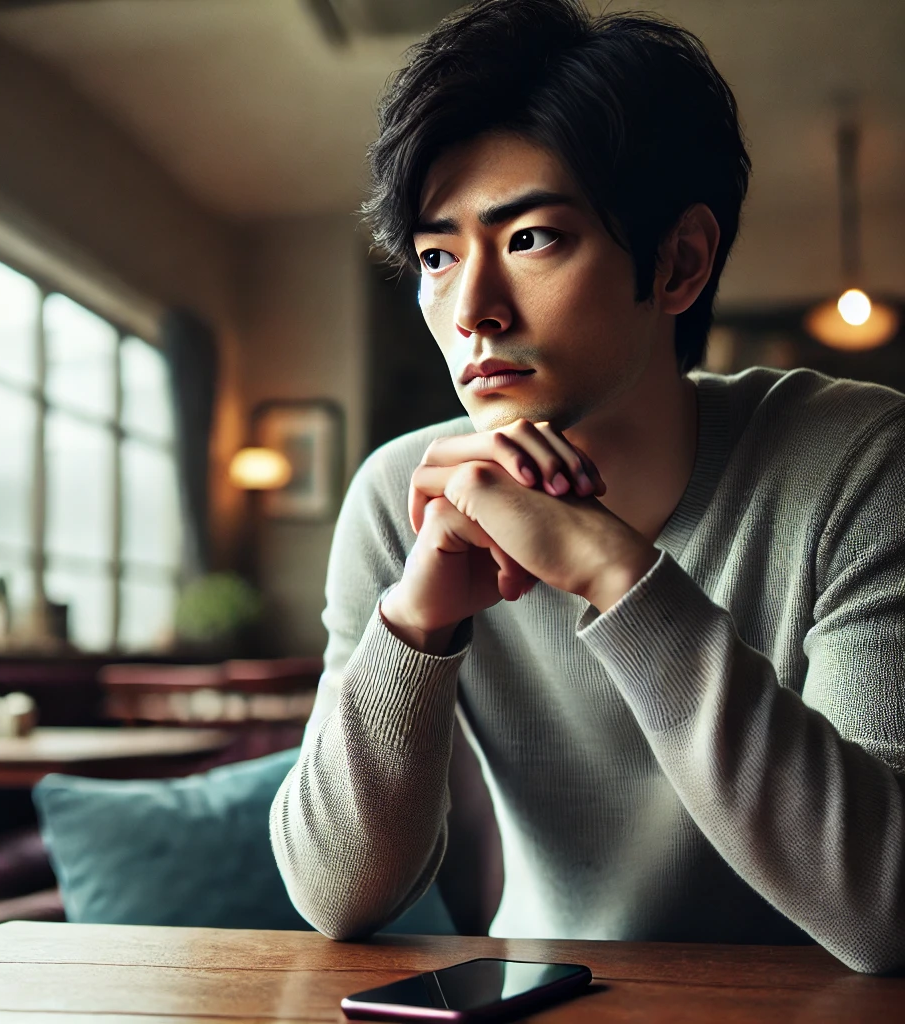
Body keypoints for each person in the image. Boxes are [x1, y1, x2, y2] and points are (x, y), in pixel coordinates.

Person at [269, 0, 905, 974]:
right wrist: (418, 618)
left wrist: (617, 575)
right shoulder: (404, 493)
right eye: (437, 257)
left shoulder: (857, 457)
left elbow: (886, 908)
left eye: (530, 239)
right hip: (540, 998)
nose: (471, 307)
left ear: (680, 262)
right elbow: (334, 896)